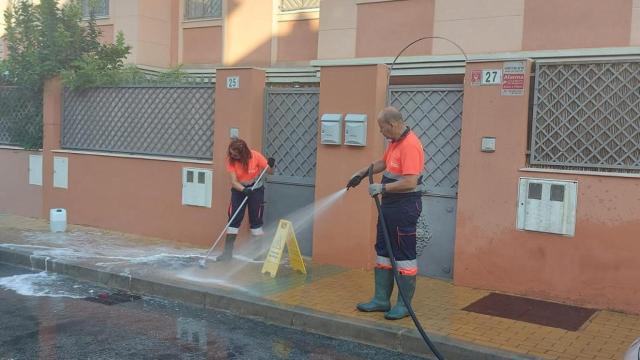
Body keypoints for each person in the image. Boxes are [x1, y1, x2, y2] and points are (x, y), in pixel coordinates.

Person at [346, 106, 425, 320]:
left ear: (392, 124)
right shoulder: (395, 143)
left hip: (404, 207)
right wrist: (363, 173)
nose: (380, 132)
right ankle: (381, 299)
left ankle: (404, 304)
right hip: (390, 206)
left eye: (382, 128)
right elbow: (384, 163)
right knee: (383, 250)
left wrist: (382, 188)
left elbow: (410, 181)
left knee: (403, 255)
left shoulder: (411, 146)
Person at [216, 138, 275, 262]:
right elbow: (233, 182)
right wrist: (244, 190)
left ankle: (258, 254)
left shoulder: (256, 156)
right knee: (234, 220)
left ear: (243, 154)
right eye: (231, 153)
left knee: (256, 222)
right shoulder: (231, 161)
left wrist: (271, 165)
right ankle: (227, 253)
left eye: (235, 155)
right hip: (239, 191)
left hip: (256, 191)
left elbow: (270, 172)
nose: (232, 156)